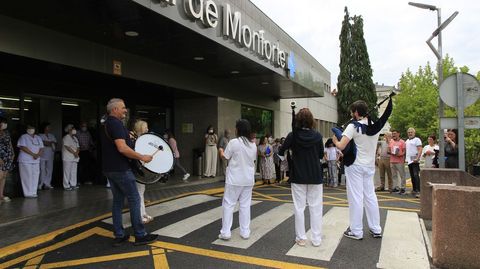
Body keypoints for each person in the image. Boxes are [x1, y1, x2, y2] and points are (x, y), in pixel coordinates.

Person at [100, 98, 158, 246]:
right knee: (134, 199)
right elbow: (122, 148)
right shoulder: (116, 124)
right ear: (114, 110)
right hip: (121, 169)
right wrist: (142, 157)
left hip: (109, 169)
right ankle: (140, 234)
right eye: (123, 108)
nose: (125, 110)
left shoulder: (107, 124)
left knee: (118, 202)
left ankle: (119, 235)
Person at [333, 100, 382, 240]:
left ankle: (356, 230)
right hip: (369, 166)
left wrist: (335, 140)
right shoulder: (374, 127)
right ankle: (376, 228)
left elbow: (341, 146)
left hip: (355, 165)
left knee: (356, 197)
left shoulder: (352, 126)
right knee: (370, 196)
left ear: (355, 112)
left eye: (351, 112)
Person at [279, 108, 324, 247]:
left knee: (299, 208)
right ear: (311, 120)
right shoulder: (317, 136)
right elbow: (321, 155)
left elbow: (281, 152)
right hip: (315, 175)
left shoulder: (293, 135)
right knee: (316, 208)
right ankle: (316, 239)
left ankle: (301, 238)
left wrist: (289, 157)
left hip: (298, 175)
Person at [218, 119, 257, 241]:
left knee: (229, 204)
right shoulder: (253, 144)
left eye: (236, 127)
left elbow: (225, 156)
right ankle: (245, 232)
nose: (234, 129)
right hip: (248, 179)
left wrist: (220, 150)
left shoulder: (234, 142)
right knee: (245, 206)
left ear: (238, 130)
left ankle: (225, 232)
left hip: (234, 179)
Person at [131, 120, 154, 223]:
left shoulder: (140, 140)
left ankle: (143, 213)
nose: (147, 129)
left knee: (141, 192)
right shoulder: (135, 139)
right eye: (146, 127)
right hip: (136, 169)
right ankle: (140, 216)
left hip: (141, 169)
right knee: (138, 193)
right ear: (140, 128)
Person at [17, 125, 44, 198]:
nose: (31, 129)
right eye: (29, 128)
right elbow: (22, 147)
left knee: (35, 175)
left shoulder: (38, 137)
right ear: (26, 129)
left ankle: (33, 192)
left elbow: (41, 148)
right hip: (26, 159)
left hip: (36, 160)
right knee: (27, 176)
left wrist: (38, 155)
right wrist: (33, 154)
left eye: (33, 128)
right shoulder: (23, 136)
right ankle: (27, 193)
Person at [0, 116, 14, 204]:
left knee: (4, 176)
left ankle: (1, 194)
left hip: (7, 156)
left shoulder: (6, 132)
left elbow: (10, 143)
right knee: (0, 175)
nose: (5, 124)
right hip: (1, 156)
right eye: (3, 123)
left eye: (5, 123)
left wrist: (13, 153)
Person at [38, 122, 56, 190]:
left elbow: (55, 143)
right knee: (42, 169)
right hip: (42, 155)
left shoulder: (51, 135)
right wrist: (50, 143)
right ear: (44, 127)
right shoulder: (40, 135)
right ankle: (40, 184)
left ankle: (47, 184)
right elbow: (42, 143)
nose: (49, 128)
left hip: (50, 154)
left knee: (49, 169)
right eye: (48, 126)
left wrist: (48, 143)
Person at [62, 124, 80, 191]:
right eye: (73, 129)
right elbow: (67, 146)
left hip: (75, 157)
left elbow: (78, 147)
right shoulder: (66, 137)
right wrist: (74, 153)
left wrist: (77, 153)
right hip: (68, 157)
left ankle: (73, 184)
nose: (74, 130)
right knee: (67, 172)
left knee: (73, 171)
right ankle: (66, 185)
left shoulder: (75, 138)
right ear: (69, 130)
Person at [405, 128, 422, 195]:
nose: (410, 133)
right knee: (412, 175)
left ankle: (418, 190)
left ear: (414, 133)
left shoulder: (417, 140)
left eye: (411, 132)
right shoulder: (407, 141)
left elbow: (420, 149)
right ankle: (414, 189)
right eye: (409, 132)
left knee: (416, 175)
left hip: (415, 160)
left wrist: (417, 158)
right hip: (409, 161)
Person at [389, 130, 406, 194]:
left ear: (398, 134)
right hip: (392, 160)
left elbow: (404, 151)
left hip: (399, 161)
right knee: (394, 175)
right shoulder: (391, 141)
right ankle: (396, 187)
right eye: (393, 134)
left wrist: (400, 154)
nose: (394, 135)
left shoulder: (402, 142)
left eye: (395, 133)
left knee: (402, 175)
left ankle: (403, 188)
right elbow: (389, 150)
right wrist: (391, 152)